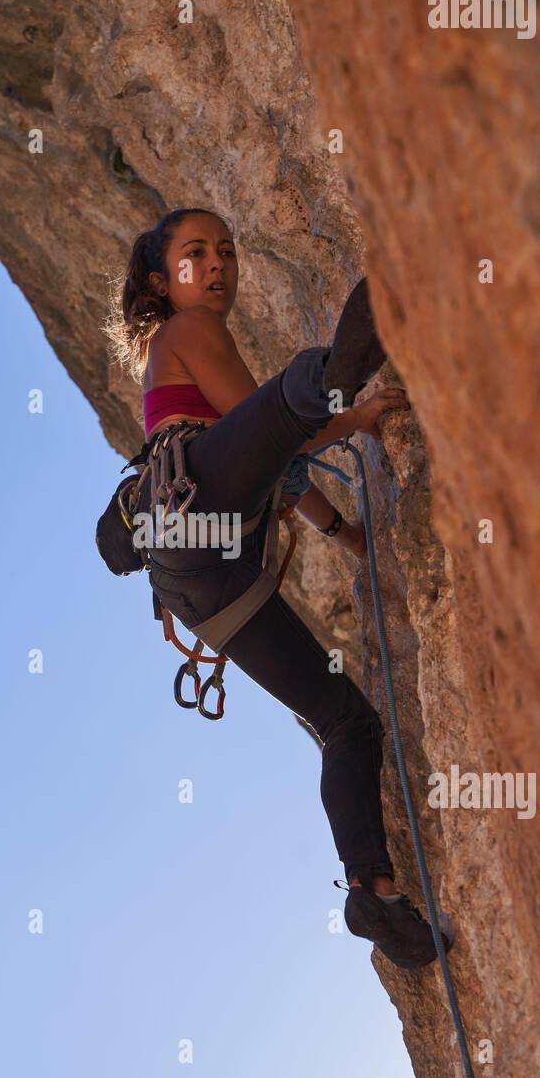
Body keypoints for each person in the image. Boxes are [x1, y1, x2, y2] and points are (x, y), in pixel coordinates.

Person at [104, 206, 452, 970]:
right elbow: (261, 424)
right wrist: (352, 413)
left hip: (202, 584)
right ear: (162, 281)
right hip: (202, 518)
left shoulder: (186, 355)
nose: (218, 264)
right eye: (197, 253)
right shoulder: (188, 330)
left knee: (347, 722)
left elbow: (268, 459)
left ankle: (373, 893)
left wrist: (345, 533)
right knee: (296, 396)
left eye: (227, 251)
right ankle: (348, 347)